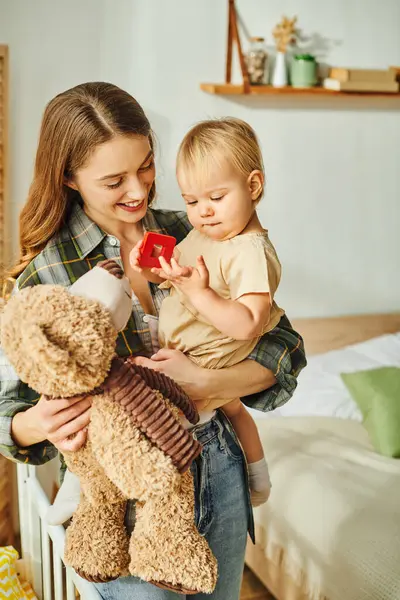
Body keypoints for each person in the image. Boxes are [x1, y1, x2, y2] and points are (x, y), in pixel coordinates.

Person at [0, 82, 306, 600]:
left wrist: (213, 384)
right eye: (114, 180)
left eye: (145, 166)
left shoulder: (194, 230)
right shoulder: (47, 273)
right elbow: (11, 405)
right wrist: (30, 425)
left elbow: (283, 345)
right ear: (69, 178)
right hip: (129, 498)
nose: (139, 192)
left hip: (220, 466)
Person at [130, 117, 281, 507]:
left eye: (216, 197)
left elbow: (250, 323)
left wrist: (200, 295)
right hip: (189, 354)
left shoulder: (248, 251)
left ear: (253, 186)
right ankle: (257, 480)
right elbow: (174, 276)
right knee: (230, 409)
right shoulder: (204, 234)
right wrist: (151, 268)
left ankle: (257, 480)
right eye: (192, 201)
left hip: (212, 357)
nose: (204, 212)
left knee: (147, 414)